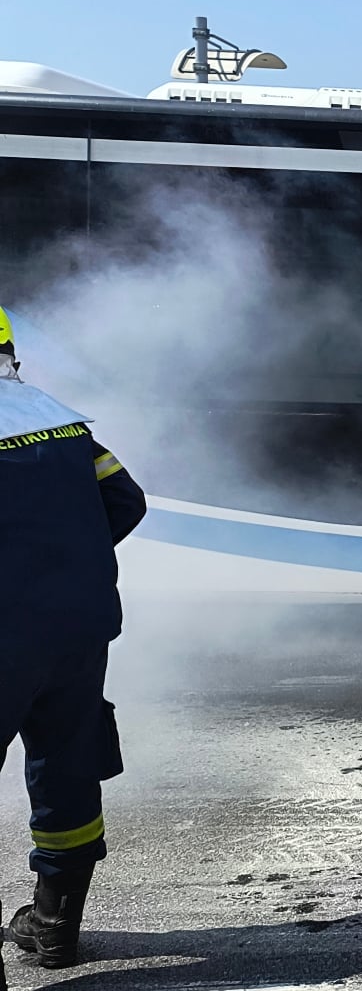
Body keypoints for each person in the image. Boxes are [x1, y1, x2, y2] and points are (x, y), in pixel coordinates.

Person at [0, 306, 147, 973]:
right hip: (77, 630)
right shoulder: (53, 417)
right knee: (65, 771)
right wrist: (60, 569)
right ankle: (55, 927)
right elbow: (127, 501)